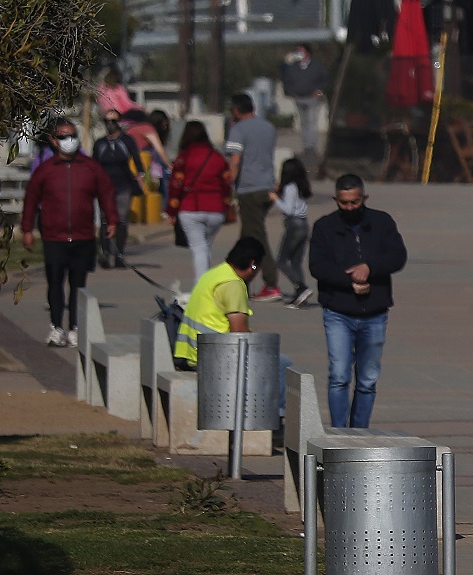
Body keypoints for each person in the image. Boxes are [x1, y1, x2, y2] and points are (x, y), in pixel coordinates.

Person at [308, 174, 407, 428]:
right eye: (344, 203)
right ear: (336, 200)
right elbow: (317, 266)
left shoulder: (382, 222)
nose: (350, 208)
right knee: (339, 375)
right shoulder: (324, 227)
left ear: (365, 198)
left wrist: (369, 268)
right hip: (338, 312)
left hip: (374, 313)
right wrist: (349, 281)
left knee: (367, 379)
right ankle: (339, 432)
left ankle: (360, 432)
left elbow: (398, 257)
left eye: (355, 202)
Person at [21, 118, 119, 347]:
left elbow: (106, 193)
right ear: (53, 141)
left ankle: (75, 328)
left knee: (78, 285)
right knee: (55, 283)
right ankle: (56, 328)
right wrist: (27, 229)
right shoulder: (45, 170)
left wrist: (111, 220)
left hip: (83, 237)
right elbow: (31, 200)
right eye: (63, 136)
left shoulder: (90, 167)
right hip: (54, 237)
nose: (69, 140)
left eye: (72, 135)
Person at [173, 237, 294, 416]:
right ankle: (276, 419)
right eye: (257, 268)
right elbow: (240, 335)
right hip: (213, 358)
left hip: (191, 352)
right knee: (281, 364)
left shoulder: (214, 274)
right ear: (253, 264)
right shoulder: (233, 284)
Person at [226, 93, 282, 301]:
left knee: (257, 238)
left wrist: (228, 184)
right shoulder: (268, 127)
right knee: (247, 236)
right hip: (267, 186)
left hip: (249, 188)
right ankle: (241, 280)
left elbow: (235, 160)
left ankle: (271, 282)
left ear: (236, 110)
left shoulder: (238, 129)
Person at [167, 120, 233, 283]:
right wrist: (226, 207)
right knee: (204, 248)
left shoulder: (184, 157)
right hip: (215, 209)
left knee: (198, 248)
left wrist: (171, 210)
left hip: (191, 208)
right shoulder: (217, 157)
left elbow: (176, 185)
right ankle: (206, 282)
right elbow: (226, 184)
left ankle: (201, 287)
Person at [92, 109, 146, 268]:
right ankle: (105, 252)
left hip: (123, 186)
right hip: (104, 187)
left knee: (121, 220)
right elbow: (93, 165)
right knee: (104, 220)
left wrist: (140, 177)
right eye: (107, 121)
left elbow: (137, 160)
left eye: (113, 121)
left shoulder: (127, 141)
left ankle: (119, 254)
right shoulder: (100, 144)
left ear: (119, 123)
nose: (110, 125)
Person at [271, 158, 314, 308]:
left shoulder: (290, 187)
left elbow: (288, 209)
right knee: (296, 262)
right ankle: (300, 298)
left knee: (281, 261)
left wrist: (275, 198)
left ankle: (301, 287)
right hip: (304, 225)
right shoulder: (301, 186)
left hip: (294, 225)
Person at [280, 43, 330, 162]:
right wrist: (292, 93)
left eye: (301, 51)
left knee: (312, 122)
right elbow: (287, 80)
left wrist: (320, 91)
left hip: (313, 99)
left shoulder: (316, 66)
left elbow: (326, 79)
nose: (299, 53)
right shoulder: (293, 67)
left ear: (308, 52)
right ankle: (306, 146)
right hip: (299, 99)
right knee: (304, 123)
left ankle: (311, 147)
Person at [148, 109, 173, 201]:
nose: (165, 125)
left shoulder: (160, 137)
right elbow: (160, 152)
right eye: (163, 122)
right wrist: (170, 166)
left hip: (157, 169)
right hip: (153, 169)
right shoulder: (151, 135)